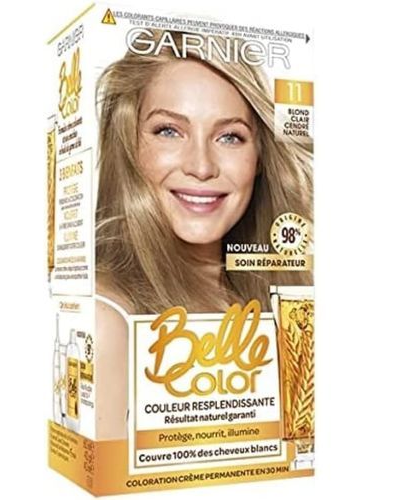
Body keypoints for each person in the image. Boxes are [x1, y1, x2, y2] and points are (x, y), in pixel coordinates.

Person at [94, 29, 313, 440]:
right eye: (168, 131)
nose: (201, 166)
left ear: (259, 158)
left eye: (230, 136)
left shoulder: (290, 298)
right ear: (128, 145)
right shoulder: (106, 319)